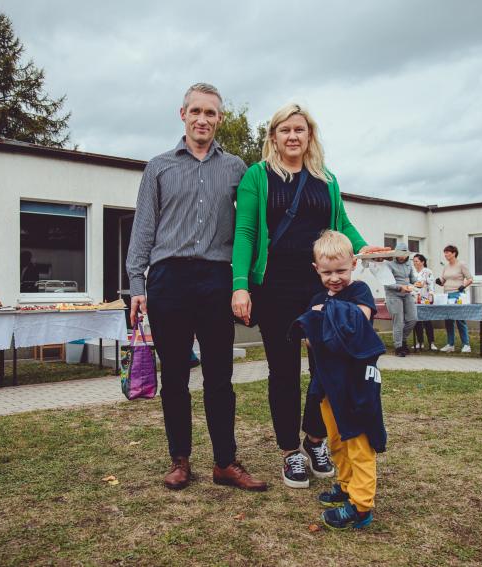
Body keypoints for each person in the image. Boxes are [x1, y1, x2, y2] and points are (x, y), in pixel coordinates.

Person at [231, 102, 388, 489]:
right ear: (273, 137)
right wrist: (240, 284)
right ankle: (290, 451)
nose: (292, 136)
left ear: (309, 135)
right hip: (274, 287)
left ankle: (315, 440)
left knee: (327, 368)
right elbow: (245, 232)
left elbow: (342, 223)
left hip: (323, 286)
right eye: (285, 130)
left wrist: (362, 247)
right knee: (283, 371)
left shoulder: (326, 178)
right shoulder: (258, 176)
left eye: (299, 130)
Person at [126, 83, 266, 492]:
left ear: (219, 118)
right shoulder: (159, 167)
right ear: (182, 114)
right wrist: (137, 283)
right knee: (174, 376)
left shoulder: (237, 168)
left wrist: (247, 281)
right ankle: (180, 460)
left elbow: (250, 227)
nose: (203, 119)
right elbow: (143, 228)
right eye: (196, 111)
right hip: (168, 279)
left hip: (217, 279)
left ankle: (225, 462)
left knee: (220, 377)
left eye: (210, 113)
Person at [294, 231, 386, 530]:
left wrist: (324, 316)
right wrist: (316, 323)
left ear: (354, 265)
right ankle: (346, 487)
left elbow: (358, 321)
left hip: (355, 386)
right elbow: (311, 340)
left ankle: (361, 506)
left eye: (341, 271)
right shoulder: (317, 299)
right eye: (327, 273)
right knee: (336, 441)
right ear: (316, 270)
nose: (334, 278)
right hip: (327, 385)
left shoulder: (359, 292)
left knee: (359, 442)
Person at [436, 244, 474, 353]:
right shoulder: (446, 266)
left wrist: (463, 286)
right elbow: (443, 281)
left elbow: (470, 279)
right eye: (445, 253)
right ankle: (450, 344)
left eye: (448, 252)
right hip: (447, 295)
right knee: (448, 320)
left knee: (460, 319)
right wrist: (438, 281)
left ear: (454, 253)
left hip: (457, 294)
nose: (445, 254)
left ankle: (466, 345)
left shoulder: (461, 264)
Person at [383, 243, 417, 357]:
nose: (402, 257)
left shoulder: (408, 263)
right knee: (398, 322)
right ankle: (399, 347)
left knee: (413, 319)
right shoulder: (388, 264)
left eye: (404, 254)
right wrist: (400, 287)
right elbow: (387, 283)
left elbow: (412, 278)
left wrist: (418, 282)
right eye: (400, 254)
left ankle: (402, 340)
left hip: (407, 294)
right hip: (393, 295)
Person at [412, 253, 437, 351]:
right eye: (414, 261)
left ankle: (431, 343)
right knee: (417, 321)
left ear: (422, 262)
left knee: (427, 321)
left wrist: (431, 295)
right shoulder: (412, 272)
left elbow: (431, 286)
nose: (415, 263)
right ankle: (420, 342)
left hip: (425, 299)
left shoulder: (427, 272)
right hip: (415, 299)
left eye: (417, 261)